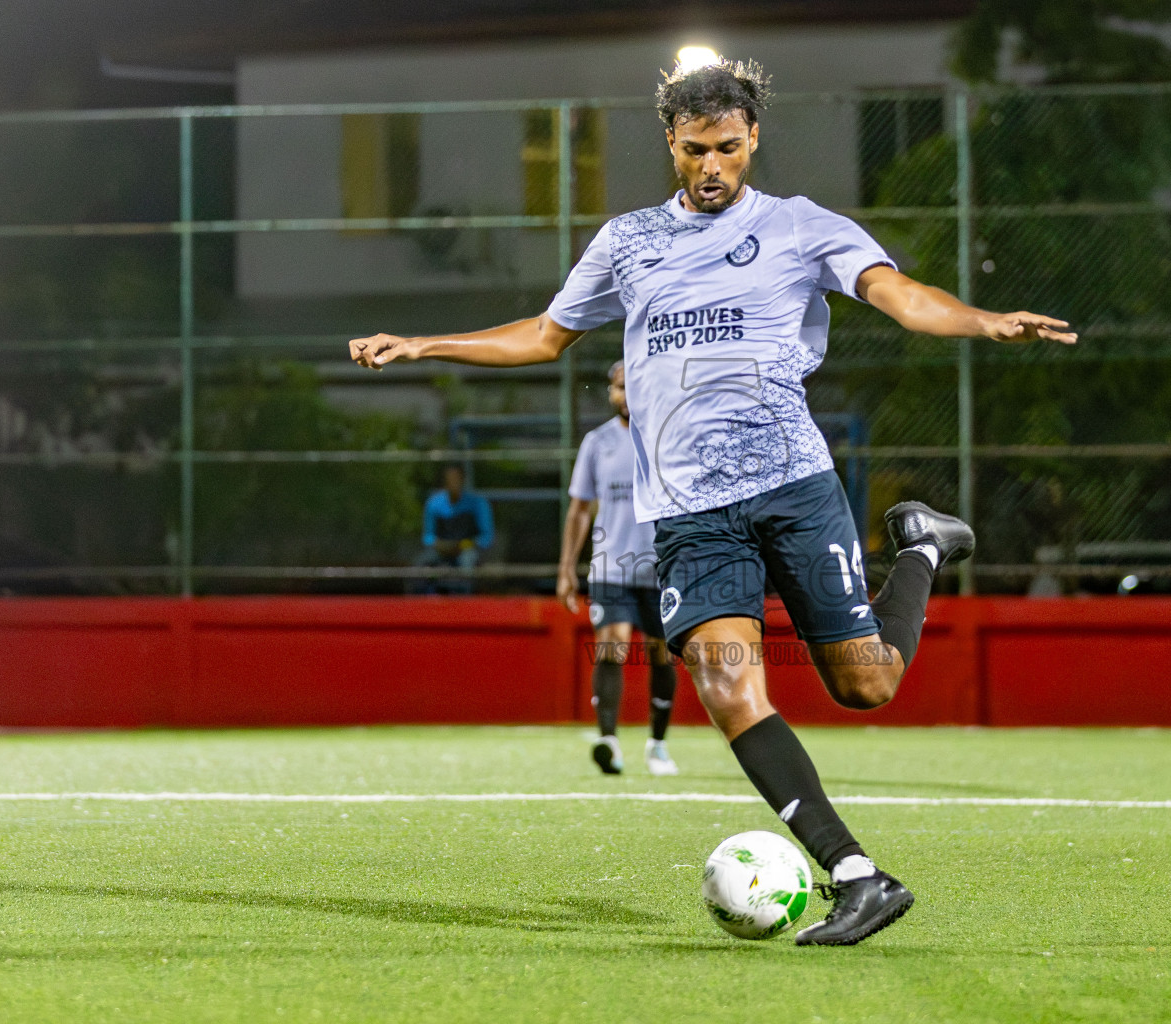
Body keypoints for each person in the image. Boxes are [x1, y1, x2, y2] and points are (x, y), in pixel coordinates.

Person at [351, 58, 1075, 946]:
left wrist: (984, 319)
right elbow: (544, 335)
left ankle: (920, 547)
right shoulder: (627, 242)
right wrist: (425, 344)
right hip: (690, 512)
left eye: (728, 148)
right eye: (695, 149)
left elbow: (901, 296)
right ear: (671, 142)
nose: (711, 167)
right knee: (727, 682)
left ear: (752, 139)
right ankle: (856, 874)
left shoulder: (802, 228)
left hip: (792, 488)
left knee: (868, 684)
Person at [559, 360, 679, 776]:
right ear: (610, 392)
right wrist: (566, 567)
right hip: (611, 567)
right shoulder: (597, 442)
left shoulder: (669, 437)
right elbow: (579, 509)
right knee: (612, 644)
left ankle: (657, 744)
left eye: (632, 386)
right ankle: (608, 741)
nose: (624, 395)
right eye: (618, 387)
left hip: (661, 568)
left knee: (661, 655)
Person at [411, 464, 494, 594]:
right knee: (422, 565)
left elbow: (486, 538)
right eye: (449, 480)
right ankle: (426, 603)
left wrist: (463, 545)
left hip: (467, 549)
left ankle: (464, 602)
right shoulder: (433, 504)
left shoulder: (478, 504)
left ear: (462, 480)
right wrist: (441, 545)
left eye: (456, 479)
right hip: (441, 551)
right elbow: (428, 537)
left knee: (467, 563)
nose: (453, 483)